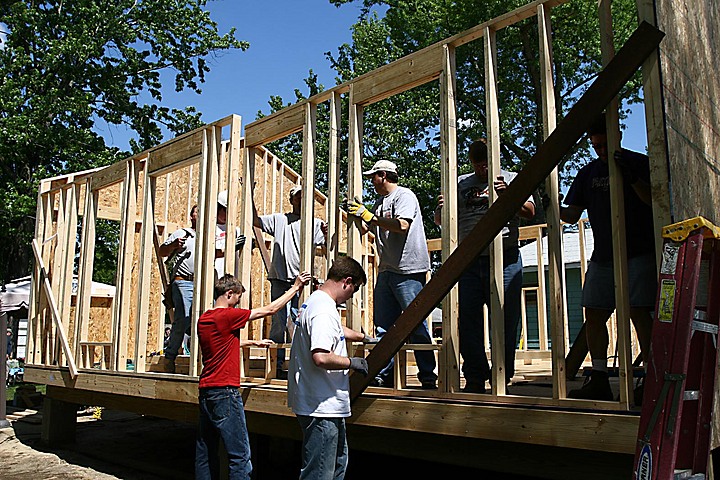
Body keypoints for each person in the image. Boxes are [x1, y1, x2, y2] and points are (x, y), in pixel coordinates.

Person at [560, 114, 656, 403]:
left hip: (638, 252)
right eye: (595, 145)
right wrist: (549, 202)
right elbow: (571, 214)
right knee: (594, 312)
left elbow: (654, 200)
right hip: (603, 256)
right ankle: (599, 377)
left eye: (604, 144)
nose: (600, 149)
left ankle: (649, 380)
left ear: (618, 136)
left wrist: (633, 178)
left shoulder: (638, 164)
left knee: (639, 311)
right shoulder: (588, 174)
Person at [434, 140, 535, 393]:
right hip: (470, 261)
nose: (482, 171)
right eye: (478, 166)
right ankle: (475, 378)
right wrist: (441, 209)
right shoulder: (460, 183)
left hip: (505, 259)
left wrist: (508, 195)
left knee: (505, 319)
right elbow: (440, 220)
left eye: (486, 165)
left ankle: (502, 376)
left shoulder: (511, 178)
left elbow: (530, 211)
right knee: (468, 320)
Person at [196, 271, 311, 480]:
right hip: (225, 393)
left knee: (206, 451)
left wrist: (251, 343)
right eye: (237, 299)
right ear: (229, 294)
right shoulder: (228, 316)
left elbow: (220, 344)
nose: (236, 305)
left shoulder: (205, 318)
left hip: (206, 392)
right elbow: (271, 309)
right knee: (240, 456)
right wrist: (295, 287)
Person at [347, 159, 437, 389]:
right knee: (383, 327)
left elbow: (402, 225)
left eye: (373, 177)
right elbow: (371, 227)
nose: (371, 182)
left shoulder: (404, 196)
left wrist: (370, 216)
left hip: (408, 269)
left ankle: (427, 376)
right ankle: (383, 373)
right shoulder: (379, 202)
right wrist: (357, 216)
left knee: (415, 324)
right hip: (387, 269)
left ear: (384, 175)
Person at [287, 256, 371, 480]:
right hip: (321, 406)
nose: (351, 296)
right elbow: (321, 357)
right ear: (347, 281)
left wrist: (363, 337)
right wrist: (352, 362)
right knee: (320, 474)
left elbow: (334, 328)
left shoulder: (316, 301)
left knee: (336, 465)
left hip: (322, 403)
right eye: (353, 290)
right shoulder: (323, 310)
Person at [159, 197, 246, 373]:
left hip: (204, 283)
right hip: (183, 281)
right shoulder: (182, 233)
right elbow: (162, 251)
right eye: (198, 212)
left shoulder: (207, 237)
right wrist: (175, 245)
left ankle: (202, 360)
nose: (201, 215)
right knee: (184, 319)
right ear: (192, 216)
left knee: (205, 320)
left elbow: (217, 253)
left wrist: (233, 247)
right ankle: (169, 358)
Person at [253, 184, 328, 378]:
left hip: (302, 280)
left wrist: (328, 233)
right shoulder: (280, 220)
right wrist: (250, 195)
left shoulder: (314, 223)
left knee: (300, 320)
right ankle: (276, 365)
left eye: (305, 197)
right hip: (280, 278)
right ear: (291, 200)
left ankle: (298, 362)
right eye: (298, 197)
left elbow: (327, 245)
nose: (301, 200)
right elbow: (255, 221)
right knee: (279, 321)